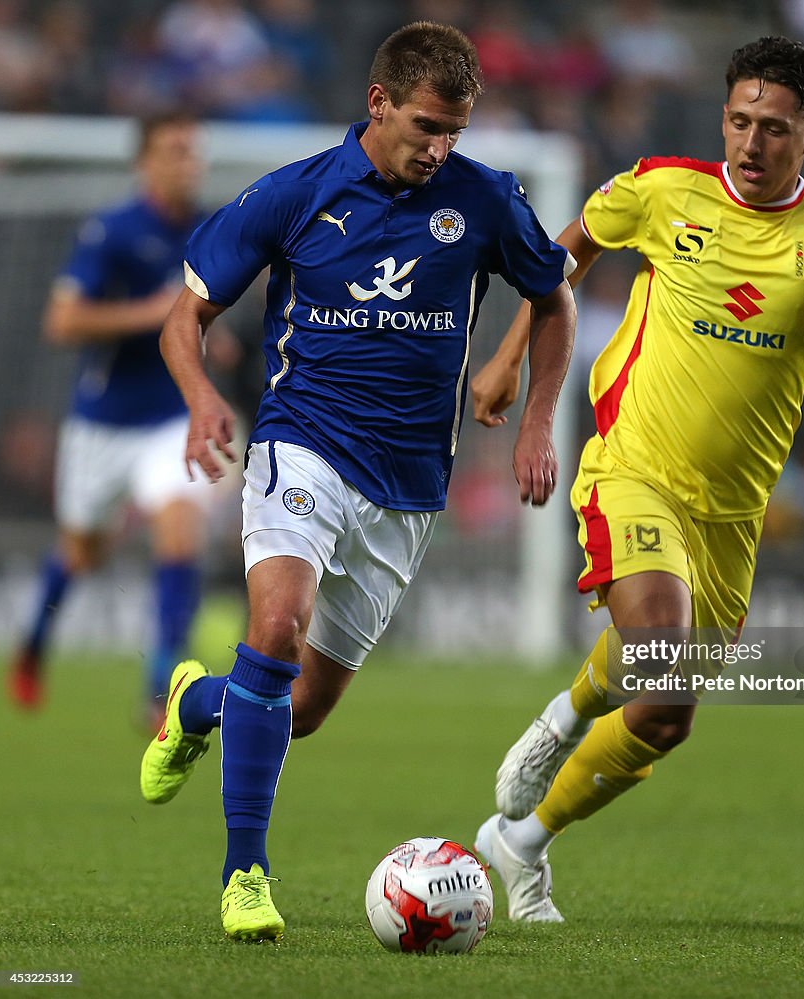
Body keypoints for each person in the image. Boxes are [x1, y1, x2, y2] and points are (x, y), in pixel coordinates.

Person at [138, 20, 576, 942]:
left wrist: (537, 418)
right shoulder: (296, 193)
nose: (438, 147)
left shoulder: (484, 198)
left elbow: (554, 295)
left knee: (299, 709)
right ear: (378, 102)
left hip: (410, 483)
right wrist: (201, 396)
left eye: (454, 130)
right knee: (276, 626)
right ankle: (245, 873)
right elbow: (187, 315)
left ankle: (196, 702)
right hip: (301, 444)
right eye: (425, 125)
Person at [470, 35, 804, 922]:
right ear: (723, 117)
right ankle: (563, 720)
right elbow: (565, 251)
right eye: (740, 122)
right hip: (635, 465)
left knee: (667, 717)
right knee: (663, 668)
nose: (752, 144)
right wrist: (513, 361)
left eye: (775, 129)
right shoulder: (666, 188)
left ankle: (519, 842)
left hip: (734, 512)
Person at [7, 113, 215, 726]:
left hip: (169, 418)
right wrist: (152, 314)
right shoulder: (112, 231)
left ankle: (160, 690)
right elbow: (62, 322)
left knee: (179, 530)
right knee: (81, 552)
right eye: (175, 150)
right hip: (103, 422)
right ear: (144, 163)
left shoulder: (208, 230)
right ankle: (33, 645)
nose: (188, 162)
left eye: (193, 151)